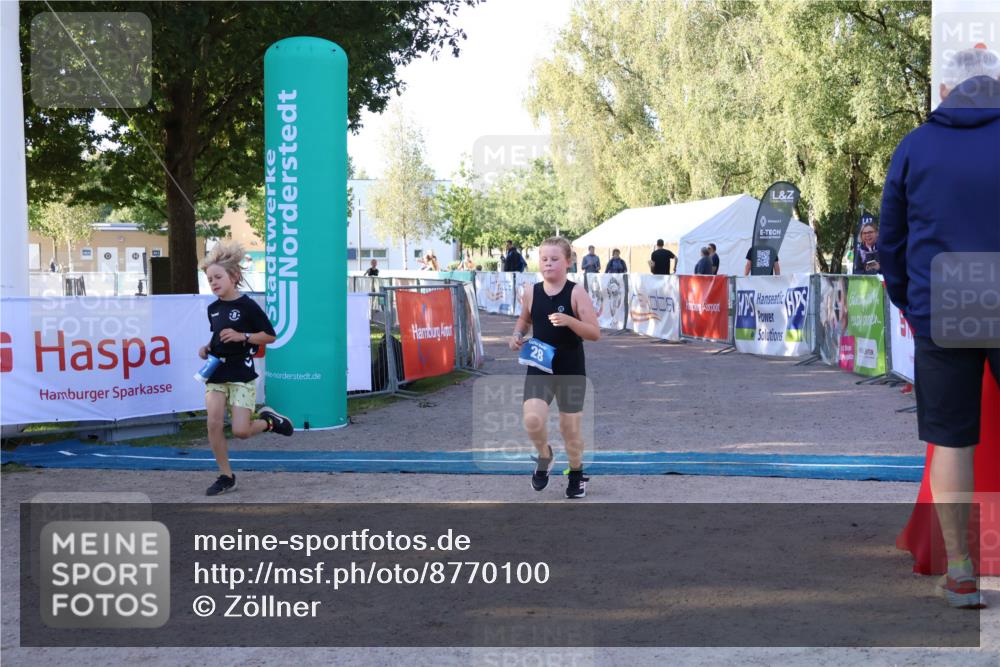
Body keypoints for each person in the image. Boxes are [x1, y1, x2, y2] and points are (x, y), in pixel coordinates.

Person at [880, 46, 1000, 609]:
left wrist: (911, 301)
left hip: (945, 297)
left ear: (946, 91)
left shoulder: (915, 146)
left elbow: (890, 241)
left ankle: (961, 571)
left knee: (952, 438)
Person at [198, 241, 294, 496]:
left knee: (241, 431)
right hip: (216, 372)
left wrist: (244, 336)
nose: (214, 282)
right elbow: (218, 336)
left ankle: (268, 422)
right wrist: (207, 347)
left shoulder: (248, 306)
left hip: (241, 374)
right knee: (214, 423)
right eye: (209, 279)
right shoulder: (213, 309)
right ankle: (226, 475)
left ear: (234, 276)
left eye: (218, 277)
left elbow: (270, 336)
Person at [509, 236, 600, 499]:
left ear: (568, 262)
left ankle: (575, 473)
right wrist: (516, 334)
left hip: (570, 366)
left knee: (569, 428)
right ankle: (544, 456)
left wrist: (570, 321)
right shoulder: (531, 291)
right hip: (540, 365)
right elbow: (524, 320)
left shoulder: (575, 292)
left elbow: (594, 333)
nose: (548, 264)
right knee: (532, 419)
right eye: (544, 259)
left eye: (554, 259)